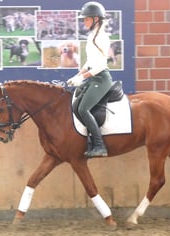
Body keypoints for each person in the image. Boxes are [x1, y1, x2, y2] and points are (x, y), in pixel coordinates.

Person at [67, 1, 112, 158]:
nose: (84, 22)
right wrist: (79, 74)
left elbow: (101, 64)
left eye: (86, 19)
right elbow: (91, 60)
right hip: (92, 77)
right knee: (75, 106)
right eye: (84, 19)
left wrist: (84, 77)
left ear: (96, 19)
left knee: (83, 109)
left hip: (101, 78)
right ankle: (90, 140)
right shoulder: (91, 36)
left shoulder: (102, 37)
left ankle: (100, 146)